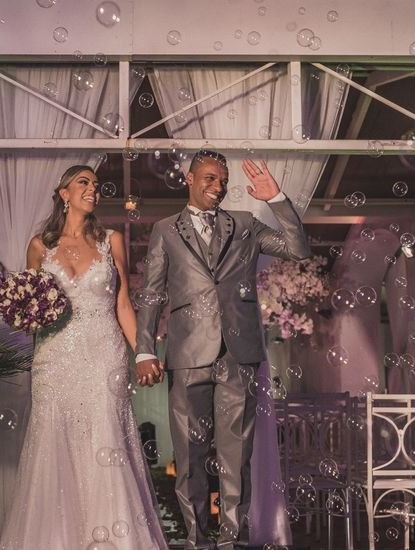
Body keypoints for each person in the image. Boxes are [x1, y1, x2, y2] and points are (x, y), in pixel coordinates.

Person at [133, 151, 310, 550]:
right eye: (210, 178)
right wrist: (145, 350)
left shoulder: (246, 225)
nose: (218, 186)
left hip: (239, 354)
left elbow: (298, 250)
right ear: (190, 179)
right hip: (187, 354)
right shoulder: (165, 229)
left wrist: (276, 198)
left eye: (223, 180)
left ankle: (234, 542)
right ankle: (198, 542)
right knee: (190, 458)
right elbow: (151, 293)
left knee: (237, 458)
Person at [0, 165, 168, 549]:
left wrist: (143, 351)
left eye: (95, 184)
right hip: (54, 356)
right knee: (53, 441)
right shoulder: (40, 244)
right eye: (83, 183)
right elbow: (29, 302)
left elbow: (123, 302)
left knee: (106, 439)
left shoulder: (112, 240)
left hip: (103, 352)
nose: (93, 190)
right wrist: (25, 312)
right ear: (64, 193)